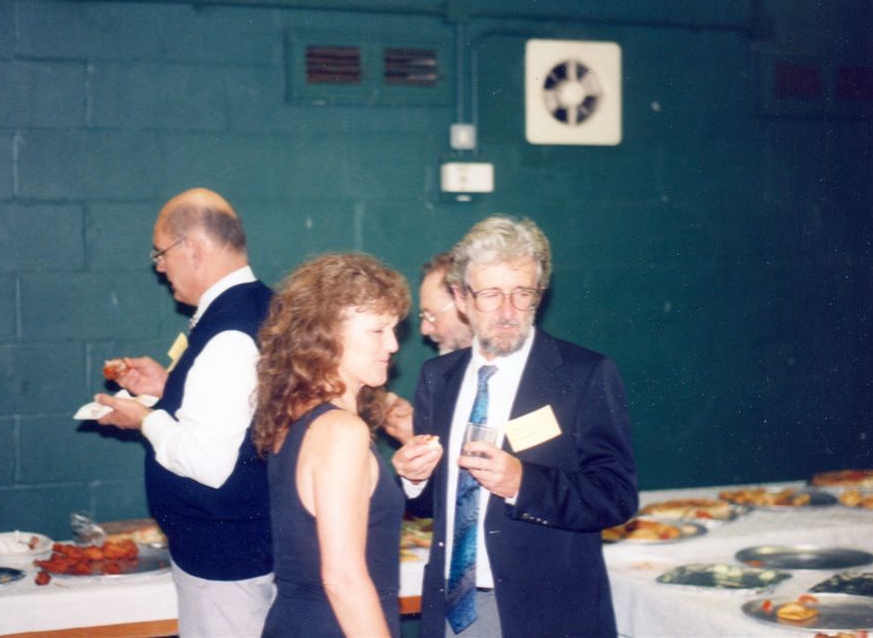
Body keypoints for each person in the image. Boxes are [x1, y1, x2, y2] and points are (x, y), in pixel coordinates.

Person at [392, 215, 638, 638]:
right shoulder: (438, 377)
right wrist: (415, 480)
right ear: (461, 297)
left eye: (522, 293)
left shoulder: (583, 374)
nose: (507, 312)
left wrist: (523, 483)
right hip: (451, 607)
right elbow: (438, 504)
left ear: (539, 295)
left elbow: (615, 497)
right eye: (490, 294)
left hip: (547, 615)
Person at [95, 188, 274, 636]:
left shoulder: (228, 333)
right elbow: (242, 412)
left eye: (161, 253)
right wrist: (168, 389)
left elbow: (208, 463)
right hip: (247, 552)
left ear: (191, 248)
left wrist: (144, 419)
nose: (159, 267)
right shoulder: (263, 305)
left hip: (226, 564)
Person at [253, 253, 410, 637]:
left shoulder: (296, 416)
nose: (392, 344)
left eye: (393, 330)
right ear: (328, 335)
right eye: (378, 330)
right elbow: (343, 580)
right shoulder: (342, 431)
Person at [380, 252, 474, 445]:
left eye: (431, 315)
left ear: (463, 303)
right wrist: (420, 423)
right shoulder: (443, 374)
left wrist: (420, 440)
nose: (424, 329)